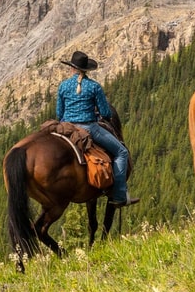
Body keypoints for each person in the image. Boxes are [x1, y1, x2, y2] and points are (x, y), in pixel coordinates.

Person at [56, 50, 138, 207]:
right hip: (89, 128)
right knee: (122, 152)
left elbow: (59, 113)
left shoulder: (63, 86)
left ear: (72, 68)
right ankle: (119, 195)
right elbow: (106, 112)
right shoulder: (94, 87)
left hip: (66, 128)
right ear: (86, 70)